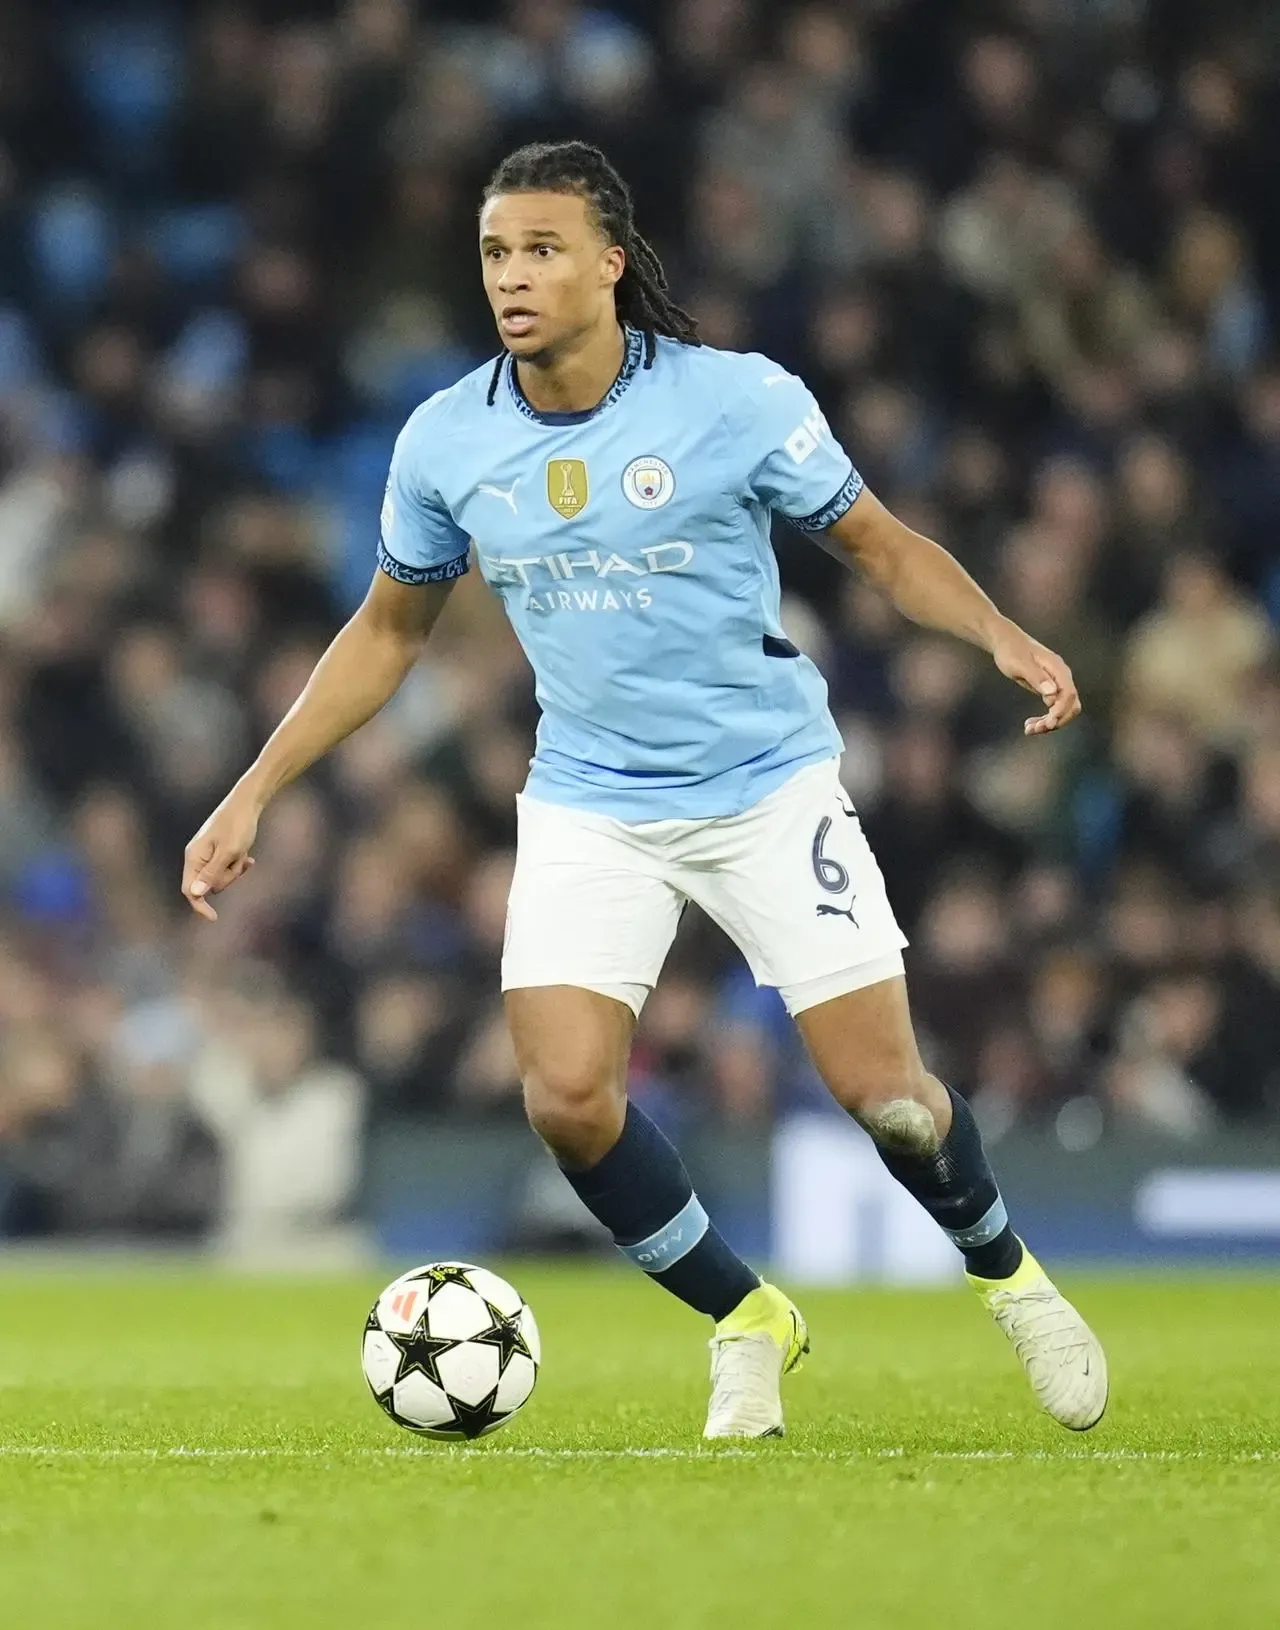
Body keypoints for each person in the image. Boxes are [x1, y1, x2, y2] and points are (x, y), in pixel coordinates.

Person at [182, 141, 1107, 1439]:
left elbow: (879, 545)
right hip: (590, 798)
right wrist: (255, 789)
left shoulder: (733, 402)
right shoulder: (449, 439)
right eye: (497, 252)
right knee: (563, 1095)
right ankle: (748, 1317)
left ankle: (1010, 1275)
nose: (513, 276)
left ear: (610, 263)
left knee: (887, 1092)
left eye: (543, 248)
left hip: (767, 785)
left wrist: (997, 629)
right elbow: (388, 633)